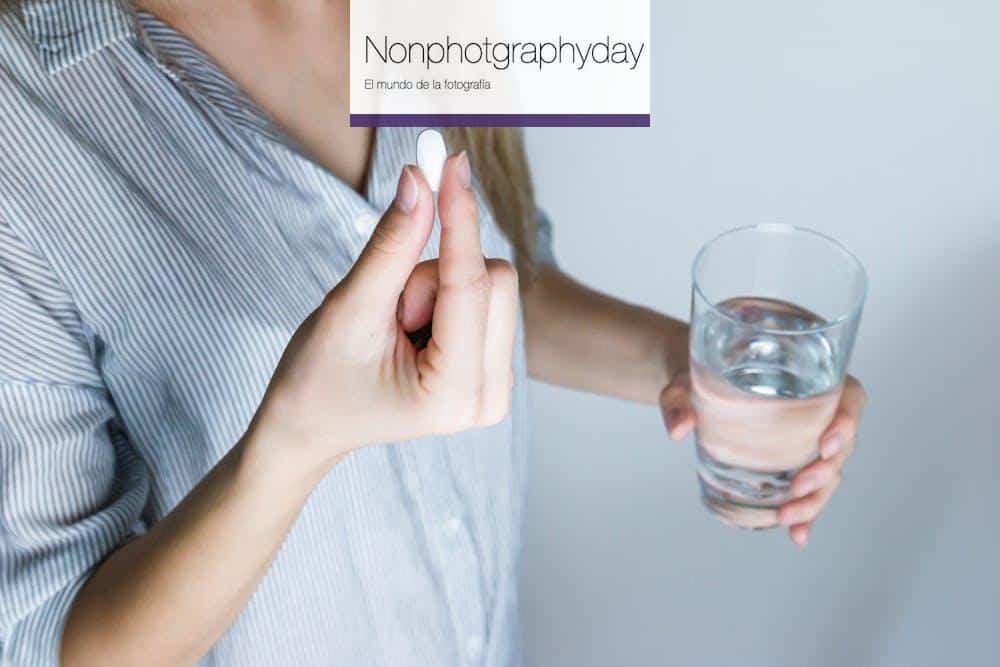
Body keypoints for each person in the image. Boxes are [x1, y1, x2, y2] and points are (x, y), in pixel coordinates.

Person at [0, 2, 867, 665]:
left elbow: (498, 277)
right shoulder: (26, 114)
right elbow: (53, 638)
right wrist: (295, 441)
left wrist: (683, 365)